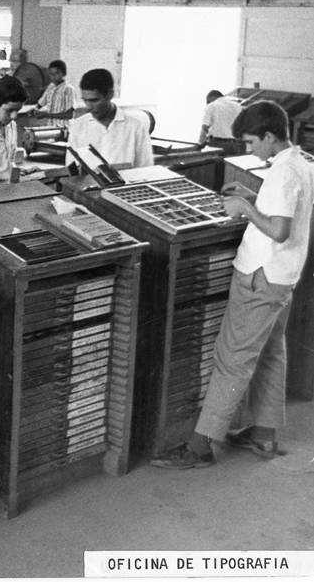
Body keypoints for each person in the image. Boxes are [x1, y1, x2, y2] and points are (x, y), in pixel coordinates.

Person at [151, 101, 314, 470]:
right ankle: (264, 435)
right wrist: (252, 197)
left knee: (231, 360)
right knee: (272, 352)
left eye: (252, 141)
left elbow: (279, 229)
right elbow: (283, 213)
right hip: (282, 278)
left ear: (271, 136)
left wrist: (244, 209)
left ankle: (199, 447)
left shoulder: (284, 173)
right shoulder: (300, 162)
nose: (248, 149)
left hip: (261, 276)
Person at [66, 68, 153, 171]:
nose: (88, 107)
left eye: (94, 100)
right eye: (85, 100)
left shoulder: (135, 127)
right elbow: (71, 170)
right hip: (90, 186)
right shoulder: (78, 126)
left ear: (110, 94)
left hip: (125, 186)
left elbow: (145, 169)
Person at [29, 59, 80, 128]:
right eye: (51, 74)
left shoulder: (68, 89)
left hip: (65, 128)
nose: (53, 77)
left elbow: (69, 115)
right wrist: (34, 110)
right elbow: (40, 103)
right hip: (51, 126)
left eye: (56, 73)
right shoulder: (50, 87)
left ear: (64, 73)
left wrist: (46, 115)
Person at [198, 89, 244, 155]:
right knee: (229, 164)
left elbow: (205, 127)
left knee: (216, 164)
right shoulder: (238, 106)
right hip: (235, 145)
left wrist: (199, 144)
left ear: (211, 98)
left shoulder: (211, 106)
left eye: (208, 101)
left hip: (217, 145)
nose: (208, 103)